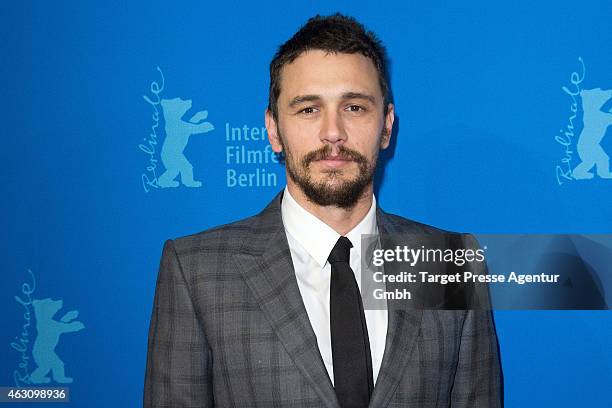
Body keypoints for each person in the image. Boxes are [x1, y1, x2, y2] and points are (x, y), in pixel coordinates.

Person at [144, 13, 502, 408]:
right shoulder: (197, 271)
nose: (333, 132)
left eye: (354, 107)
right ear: (273, 130)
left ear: (386, 126)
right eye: (308, 109)